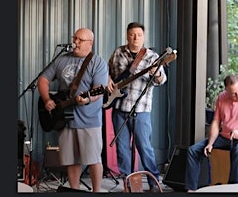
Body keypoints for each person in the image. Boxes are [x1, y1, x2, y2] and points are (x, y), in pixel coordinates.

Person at [38, 28, 108, 192]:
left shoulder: (98, 62)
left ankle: (96, 191)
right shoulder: (61, 60)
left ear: (90, 43)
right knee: (71, 160)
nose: (75, 42)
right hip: (65, 119)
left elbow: (99, 89)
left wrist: (88, 98)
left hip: (89, 120)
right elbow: (43, 79)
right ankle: (74, 190)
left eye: (79, 39)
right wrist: (47, 99)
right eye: (74, 38)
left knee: (93, 159)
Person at [106, 21, 167, 192]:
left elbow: (161, 80)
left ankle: (154, 183)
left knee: (145, 147)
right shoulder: (118, 52)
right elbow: (108, 72)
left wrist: (155, 74)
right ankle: (128, 182)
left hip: (141, 109)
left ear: (144, 37)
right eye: (132, 34)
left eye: (139, 35)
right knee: (122, 148)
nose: (135, 38)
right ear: (127, 35)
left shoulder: (152, 57)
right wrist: (108, 80)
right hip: (119, 107)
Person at [185, 74, 238, 192]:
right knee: (193, 150)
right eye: (233, 93)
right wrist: (210, 143)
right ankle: (191, 189)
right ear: (226, 91)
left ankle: (233, 189)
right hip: (225, 136)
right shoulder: (222, 97)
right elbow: (216, 122)